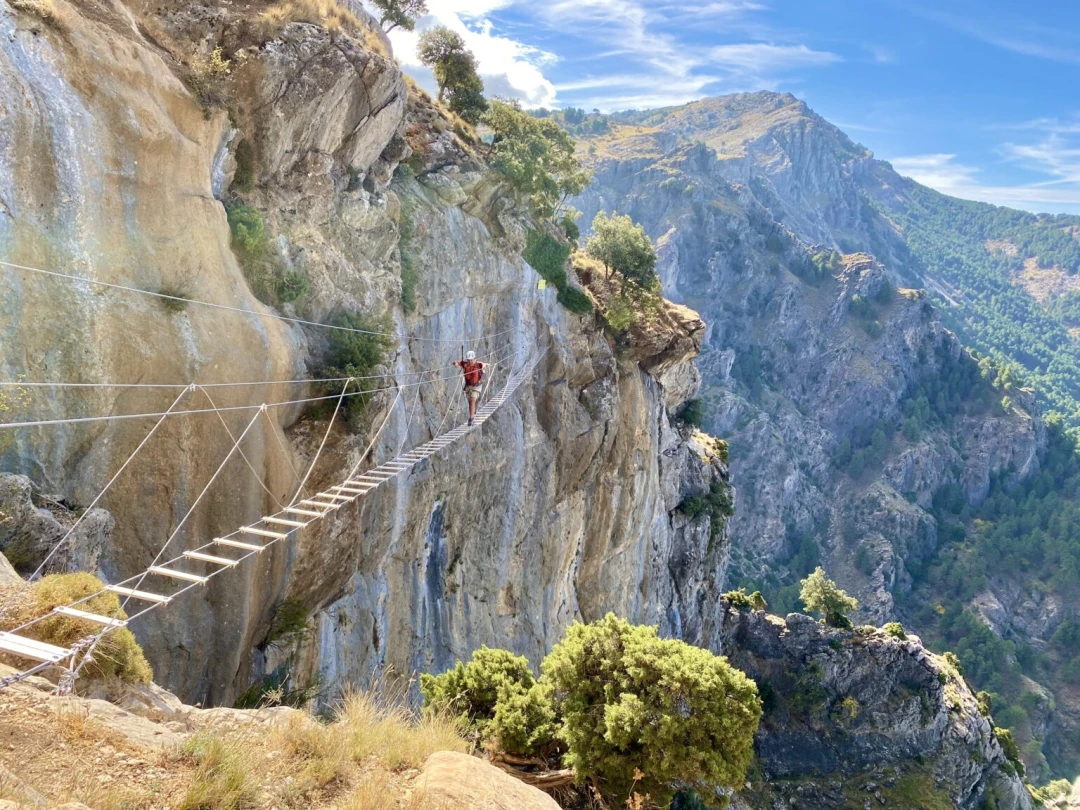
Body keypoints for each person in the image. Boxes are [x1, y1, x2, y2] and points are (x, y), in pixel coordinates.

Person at [456, 350, 488, 426]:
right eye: (468, 360)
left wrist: (484, 366)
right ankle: (472, 414)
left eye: (471, 360)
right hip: (468, 386)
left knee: (472, 400)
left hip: (477, 386)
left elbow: (483, 365)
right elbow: (458, 362)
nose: (470, 361)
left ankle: (471, 419)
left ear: (474, 358)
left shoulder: (478, 364)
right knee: (470, 402)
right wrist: (456, 363)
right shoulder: (465, 363)